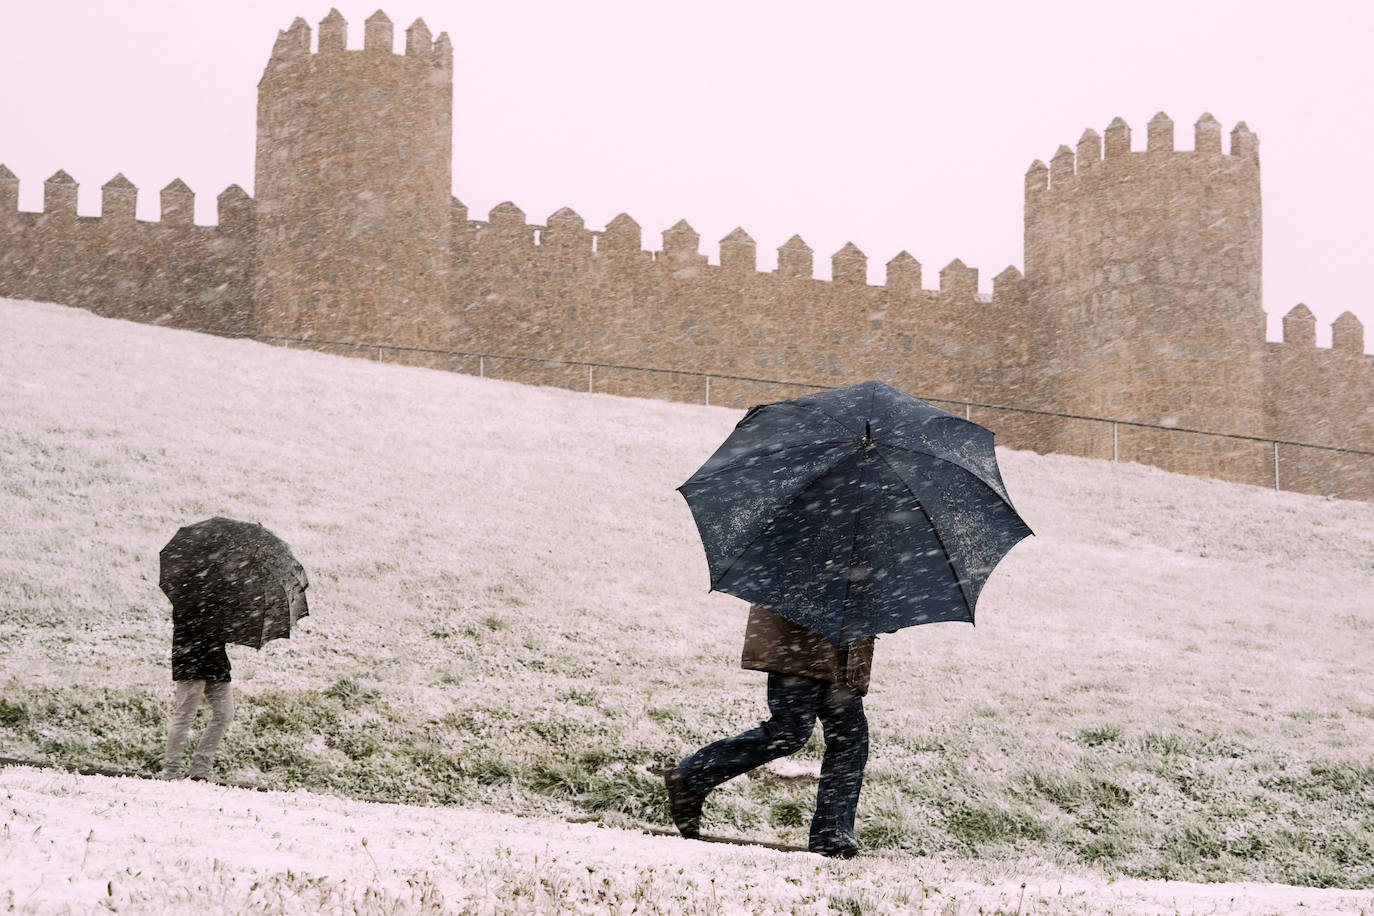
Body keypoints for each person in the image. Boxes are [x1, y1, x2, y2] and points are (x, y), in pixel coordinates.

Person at [664, 603, 875, 858]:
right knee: (789, 733)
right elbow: (788, 588)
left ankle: (833, 836)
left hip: (845, 651)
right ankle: (691, 775)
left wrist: (876, 609)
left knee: (851, 739)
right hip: (802, 645)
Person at [159, 598, 235, 781]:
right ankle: (171, 771)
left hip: (216, 661)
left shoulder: (223, 595)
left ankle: (198, 769)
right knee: (185, 715)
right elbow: (194, 626)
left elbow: (221, 629)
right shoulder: (188, 592)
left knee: (225, 713)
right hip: (191, 661)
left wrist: (229, 617)